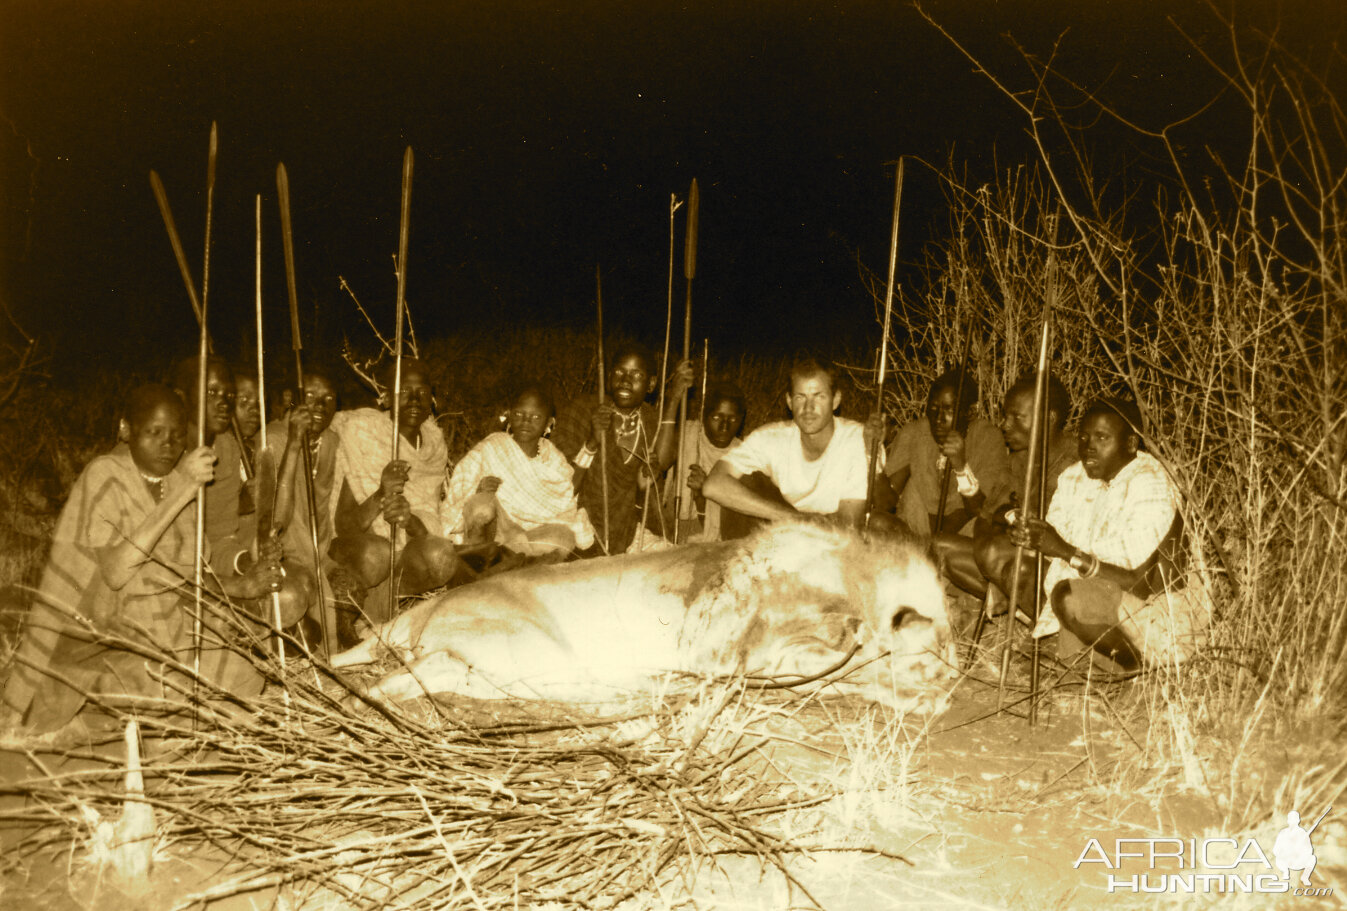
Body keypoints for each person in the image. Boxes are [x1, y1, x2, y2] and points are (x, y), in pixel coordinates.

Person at [0, 384, 285, 734]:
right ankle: (101, 710)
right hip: (100, 636)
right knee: (168, 692)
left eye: (177, 435)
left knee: (246, 678)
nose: (168, 444)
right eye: (154, 432)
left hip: (162, 627)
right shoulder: (105, 475)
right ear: (125, 430)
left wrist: (239, 587)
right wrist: (183, 490)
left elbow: (185, 576)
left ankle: (141, 719)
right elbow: (118, 572)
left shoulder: (177, 480)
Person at [1008, 398, 1208, 671]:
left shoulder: (1151, 484)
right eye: (1084, 437)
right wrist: (1031, 535)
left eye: (1102, 438)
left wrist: (1065, 551)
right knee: (1013, 565)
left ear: (1130, 445)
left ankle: (1138, 669)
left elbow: (1136, 582)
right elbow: (1052, 544)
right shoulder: (1075, 477)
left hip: (1156, 614)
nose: (1089, 446)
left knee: (1068, 597)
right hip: (1102, 592)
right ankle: (1079, 657)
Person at [328, 358, 461, 622]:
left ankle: (386, 604)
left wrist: (409, 521)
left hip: (401, 557)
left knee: (441, 556)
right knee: (377, 553)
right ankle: (349, 608)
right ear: (387, 398)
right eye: (403, 392)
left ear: (431, 399)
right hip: (361, 550)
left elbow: (429, 522)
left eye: (422, 393)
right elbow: (344, 525)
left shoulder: (435, 445)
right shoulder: (365, 433)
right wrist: (380, 495)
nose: (413, 400)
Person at [938, 371, 1076, 599]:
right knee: (937, 545)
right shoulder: (1018, 460)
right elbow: (985, 516)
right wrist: (989, 537)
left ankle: (1007, 596)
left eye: (1017, 417)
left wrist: (1000, 527)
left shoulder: (1078, 465)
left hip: (1052, 570)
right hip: (1002, 556)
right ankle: (1002, 593)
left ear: (1049, 419)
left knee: (993, 552)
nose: (1005, 425)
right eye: (1005, 416)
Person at [552, 343, 694, 555]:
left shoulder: (650, 419)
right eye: (619, 372)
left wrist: (674, 399)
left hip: (629, 529)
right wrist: (591, 442)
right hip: (578, 524)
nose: (625, 381)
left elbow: (662, 462)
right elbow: (561, 487)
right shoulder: (583, 410)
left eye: (636, 374)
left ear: (651, 384)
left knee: (671, 560)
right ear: (609, 377)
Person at [703, 357, 874, 530]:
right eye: (800, 397)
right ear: (789, 402)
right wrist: (795, 519)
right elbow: (713, 485)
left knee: (881, 526)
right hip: (789, 527)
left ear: (835, 400)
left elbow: (849, 524)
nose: (808, 407)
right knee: (747, 482)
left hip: (834, 535)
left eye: (819, 397)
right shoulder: (771, 437)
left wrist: (807, 525)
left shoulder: (858, 438)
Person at [444, 383, 595, 562]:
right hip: (496, 531)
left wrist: (591, 447)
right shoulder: (491, 447)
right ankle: (484, 562)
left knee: (563, 537)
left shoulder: (553, 459)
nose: (525, 421)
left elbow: (567, 494)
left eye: (535, 417)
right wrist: (478, 489)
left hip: (536, 532)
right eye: (519, 414)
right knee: (481, 507)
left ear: (549, 423)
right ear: (509, 416)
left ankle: (506, 562)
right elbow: (460, 487)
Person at [883, 365, 1011, 537]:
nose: (938, 419)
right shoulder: (915, 432)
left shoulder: (988, 437)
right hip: (916, 530)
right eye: (933, 409)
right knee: (881, 520)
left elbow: (981, 510)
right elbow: (886, 501)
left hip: (962, 536)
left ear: (971, 413)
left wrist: (961, 466)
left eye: (949, 410)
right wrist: (873, 454)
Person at [663, 383, 746, 542]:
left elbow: (730, 529)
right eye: (716, 417)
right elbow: (661, 462)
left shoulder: (744, 457)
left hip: (712, 539)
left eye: (733, 419)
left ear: (741, 420)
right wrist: (673, 399)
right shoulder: (686, 434)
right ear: (703, 415)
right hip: (672, 526)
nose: (724, 427)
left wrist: (702, 496)